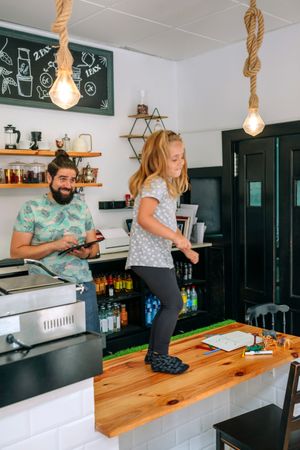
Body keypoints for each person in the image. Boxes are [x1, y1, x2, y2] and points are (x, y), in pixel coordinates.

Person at [126, 130, 199, 374]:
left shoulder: (163, 185)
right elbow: (145, 219)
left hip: (156, 256)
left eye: (182, 157)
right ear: (158, 160)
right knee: (173, 303)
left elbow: (162, 224)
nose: (181, 162)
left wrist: (185, 249)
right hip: (148, 257)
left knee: (168, 303)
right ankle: (160, 356)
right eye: (174, 158)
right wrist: (178, 237)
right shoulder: (155, 183)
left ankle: (153, 354)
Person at [10, 150, 100, 333]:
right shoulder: (31, 208)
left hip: (82, 287)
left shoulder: (81, 207)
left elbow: (94, 247)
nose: (68, 185)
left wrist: (86, 253)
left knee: (89, 343)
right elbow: (16, 252)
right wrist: (53, 245)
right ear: (49, 178)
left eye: (72, 180)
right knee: (52, 348)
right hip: (44, 289)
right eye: (62, 179)